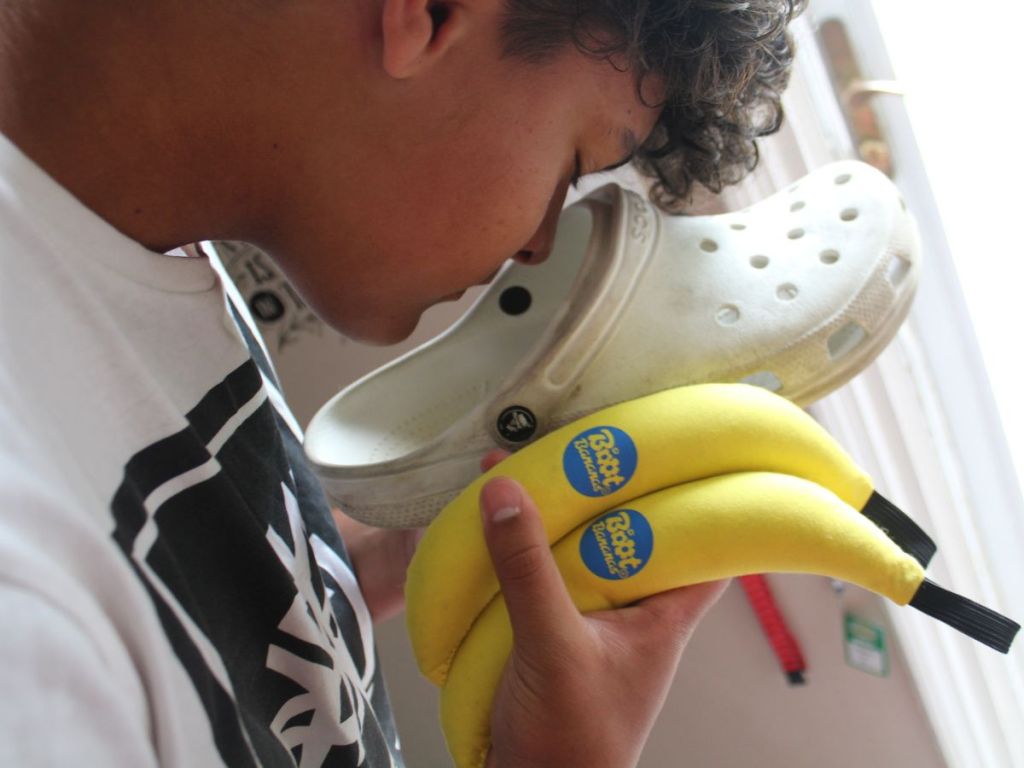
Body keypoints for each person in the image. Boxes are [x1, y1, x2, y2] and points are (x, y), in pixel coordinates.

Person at [0, 1, 800, 765]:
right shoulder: (27, 638)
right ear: (434, 12)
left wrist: (388, 555)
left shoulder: (142, 236)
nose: (540, 242)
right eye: (574, 165)